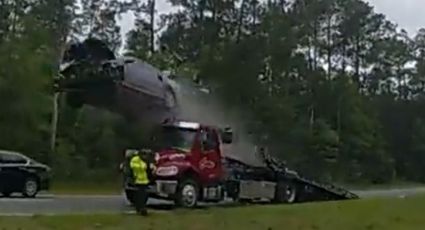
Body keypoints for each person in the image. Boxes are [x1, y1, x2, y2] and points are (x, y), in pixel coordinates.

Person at [129, 148, 152, 216]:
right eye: (144, 155)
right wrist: (145, 165)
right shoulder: (135, 159)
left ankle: (142, 208)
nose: (145, 156)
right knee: (139, 196)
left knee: (145, 196)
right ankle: (140, 209)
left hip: (144, 181)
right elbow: (134, 166)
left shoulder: (146, 161)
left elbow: (147, 170)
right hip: (137, 180)